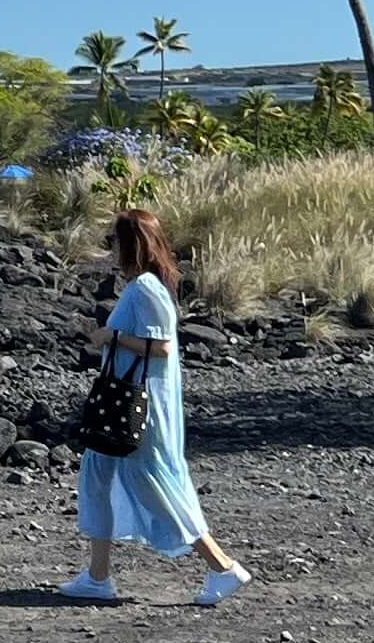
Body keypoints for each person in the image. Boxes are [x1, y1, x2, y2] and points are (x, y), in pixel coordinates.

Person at [60, 207, 251, 607]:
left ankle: (222, 567)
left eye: (114, 241)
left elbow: (162, 347)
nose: (110, 249)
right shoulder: (145, 286)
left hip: (138, 408)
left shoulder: (145, 288)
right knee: (98, 473)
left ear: (130, 245)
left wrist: (109, 336)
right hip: (128, 404)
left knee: (157, 485)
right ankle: (98, 577)